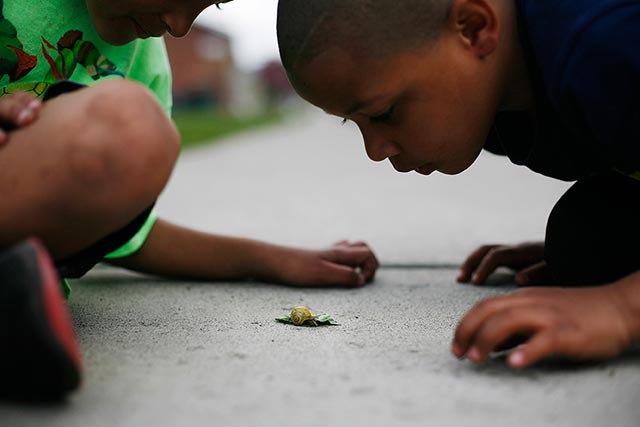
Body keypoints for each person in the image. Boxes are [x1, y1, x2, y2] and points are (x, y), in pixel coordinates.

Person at [0, 0, 379, 399]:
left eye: (210, 3)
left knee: (135, 128)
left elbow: (122, 235)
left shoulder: (141, 65)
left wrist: (271, 260)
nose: (180, 27)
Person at [275, 0, 640, 369]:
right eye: (352, 123)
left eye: (384, 113)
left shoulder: (605, 46)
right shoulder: (498, 100)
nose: (375, 150)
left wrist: (621, 310)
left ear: (474, 28)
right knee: (583, 240)